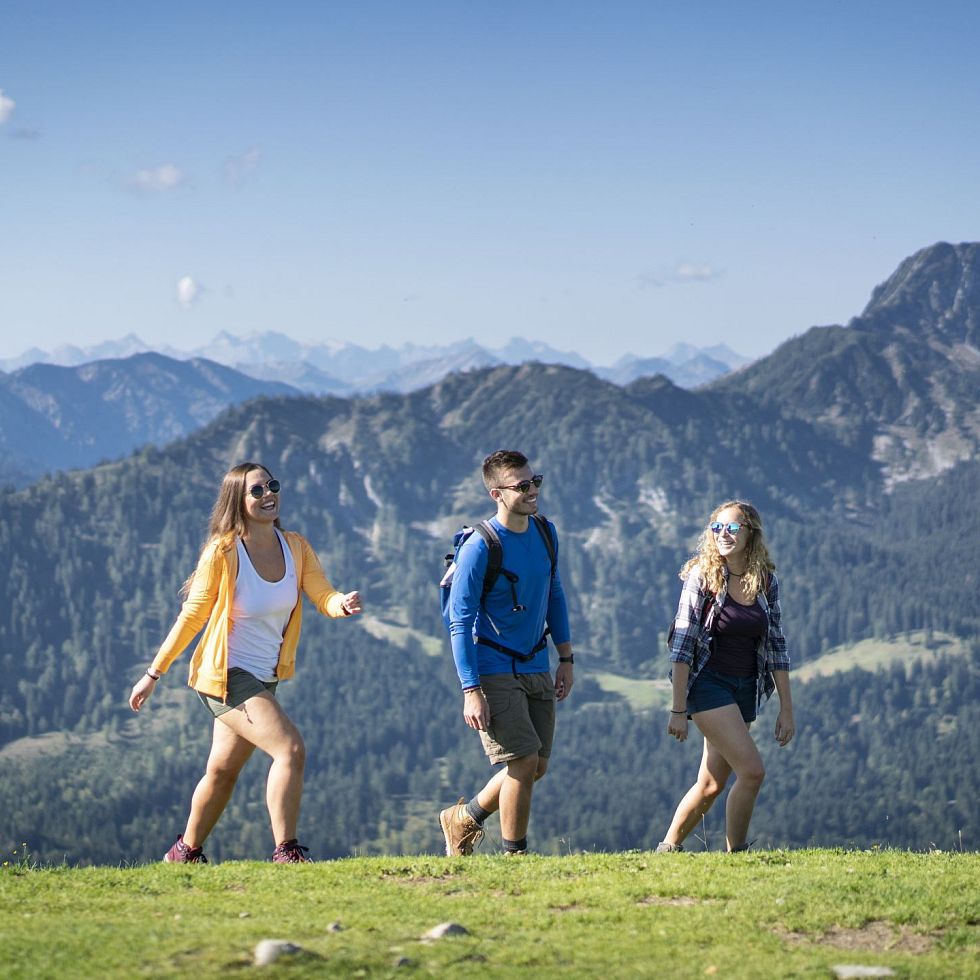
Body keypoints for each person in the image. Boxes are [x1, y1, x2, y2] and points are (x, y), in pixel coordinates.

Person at [128, 462, 361, 864]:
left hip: (264, 678)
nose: (269, 493)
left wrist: (341, 604)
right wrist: (154, 673)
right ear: (238, 500)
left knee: (221, 773)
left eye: (272, 485)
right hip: (225, 677)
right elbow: (193, 616)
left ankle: (183, 853)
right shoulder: (224, 551)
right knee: (290, 749)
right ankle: (286, 851)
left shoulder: (296, 547)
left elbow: (321, 592)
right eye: (257, 490)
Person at [439, 450, 574, 856]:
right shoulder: (480, 547)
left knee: (536, 765)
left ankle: (464, 819)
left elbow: (554, 594)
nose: (534, 491)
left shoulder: (545, 532)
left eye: (536, 482)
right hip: (493, 665)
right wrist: (470, 689)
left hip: (536, 661)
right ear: (496, 493)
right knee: (522, 761)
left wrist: (565, 658)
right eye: (523, 486)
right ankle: (515, 855)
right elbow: (459, 623)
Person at [657, 499, 794, 853]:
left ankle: (667, 849)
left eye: (732, 528)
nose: (723, 534)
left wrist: (786, 708)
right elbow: (683, 644)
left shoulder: (765, 581)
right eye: (717, 527)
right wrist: (678, 709)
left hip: (745, 688)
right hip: (708, 686)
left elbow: (776, 644)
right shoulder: (702, 578)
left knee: (711, 783)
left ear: (751, 534)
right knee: (752, 771)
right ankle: (737, 854)